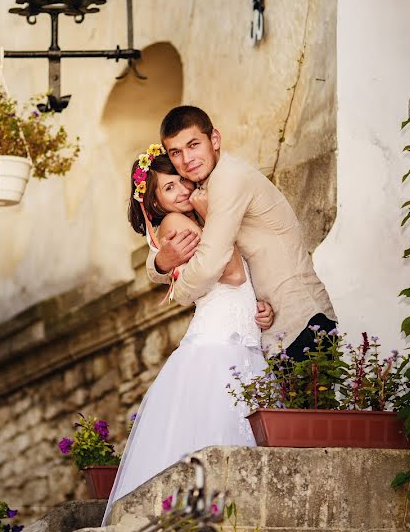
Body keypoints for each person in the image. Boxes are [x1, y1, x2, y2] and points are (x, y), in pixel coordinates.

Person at [101, 148, 271, 526]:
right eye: (168, 187)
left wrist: (262, 309)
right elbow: (232, 275)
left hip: (238, 337)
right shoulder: (179, 220)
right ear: (154, 201)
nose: (179, 190)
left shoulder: (193, 215)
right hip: (218, 347)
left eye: (179, 180)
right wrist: (214, 217)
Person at [147, 106, 338, 358]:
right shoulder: (202, 192)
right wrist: (161, 262)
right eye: (176, 152)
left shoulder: (229, 179)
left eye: (193, 145)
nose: (186, 159)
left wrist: (180, 293)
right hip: (272, 331)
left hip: (301, 321)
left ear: (214, 139)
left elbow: (209, 263)